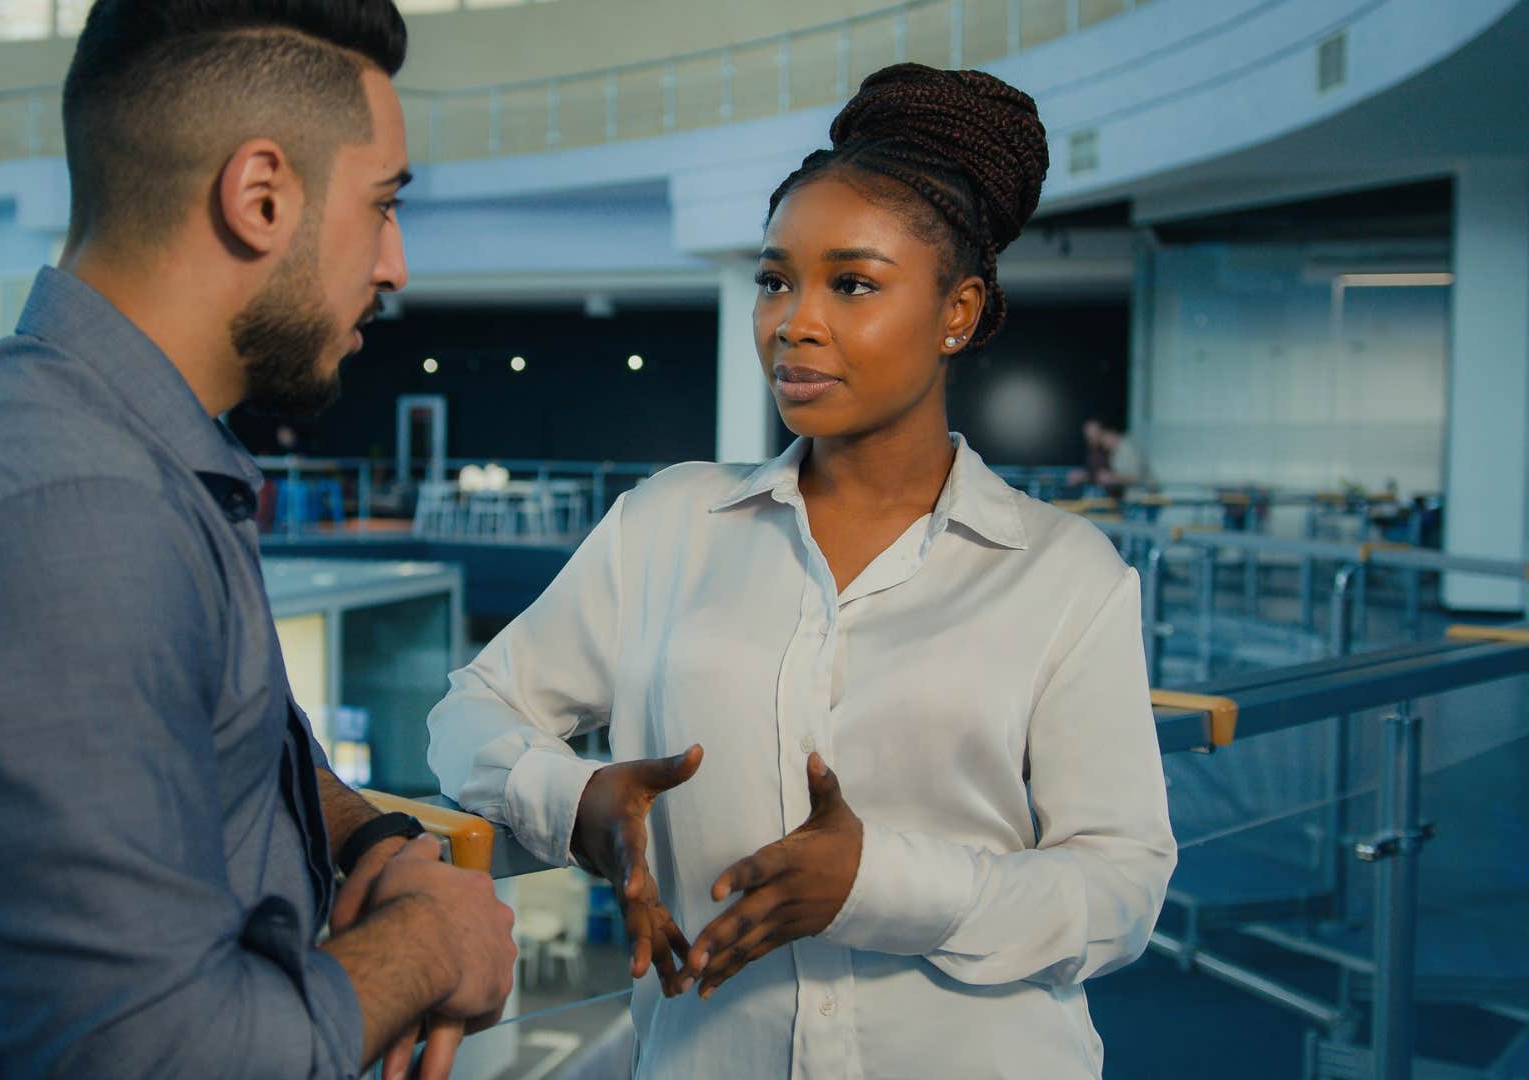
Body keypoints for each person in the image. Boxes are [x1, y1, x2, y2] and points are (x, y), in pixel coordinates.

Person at [0, 3, 515, 1078]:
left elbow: (237, 738)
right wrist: (434, 943)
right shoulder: (72, 519)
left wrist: (370, 842)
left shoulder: (100, 452)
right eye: (382, 206)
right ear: (261, 197)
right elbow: (159, 1062)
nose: (394, 264)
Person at [428, 63, 1175, 1077]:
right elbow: (472, 710)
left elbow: (1122, 889)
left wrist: (880, 883)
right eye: (776, 279)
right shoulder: (666, 526)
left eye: (852, 284)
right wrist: (573, 799)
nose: (794, 321)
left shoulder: (1063, 574)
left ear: (957, 313)